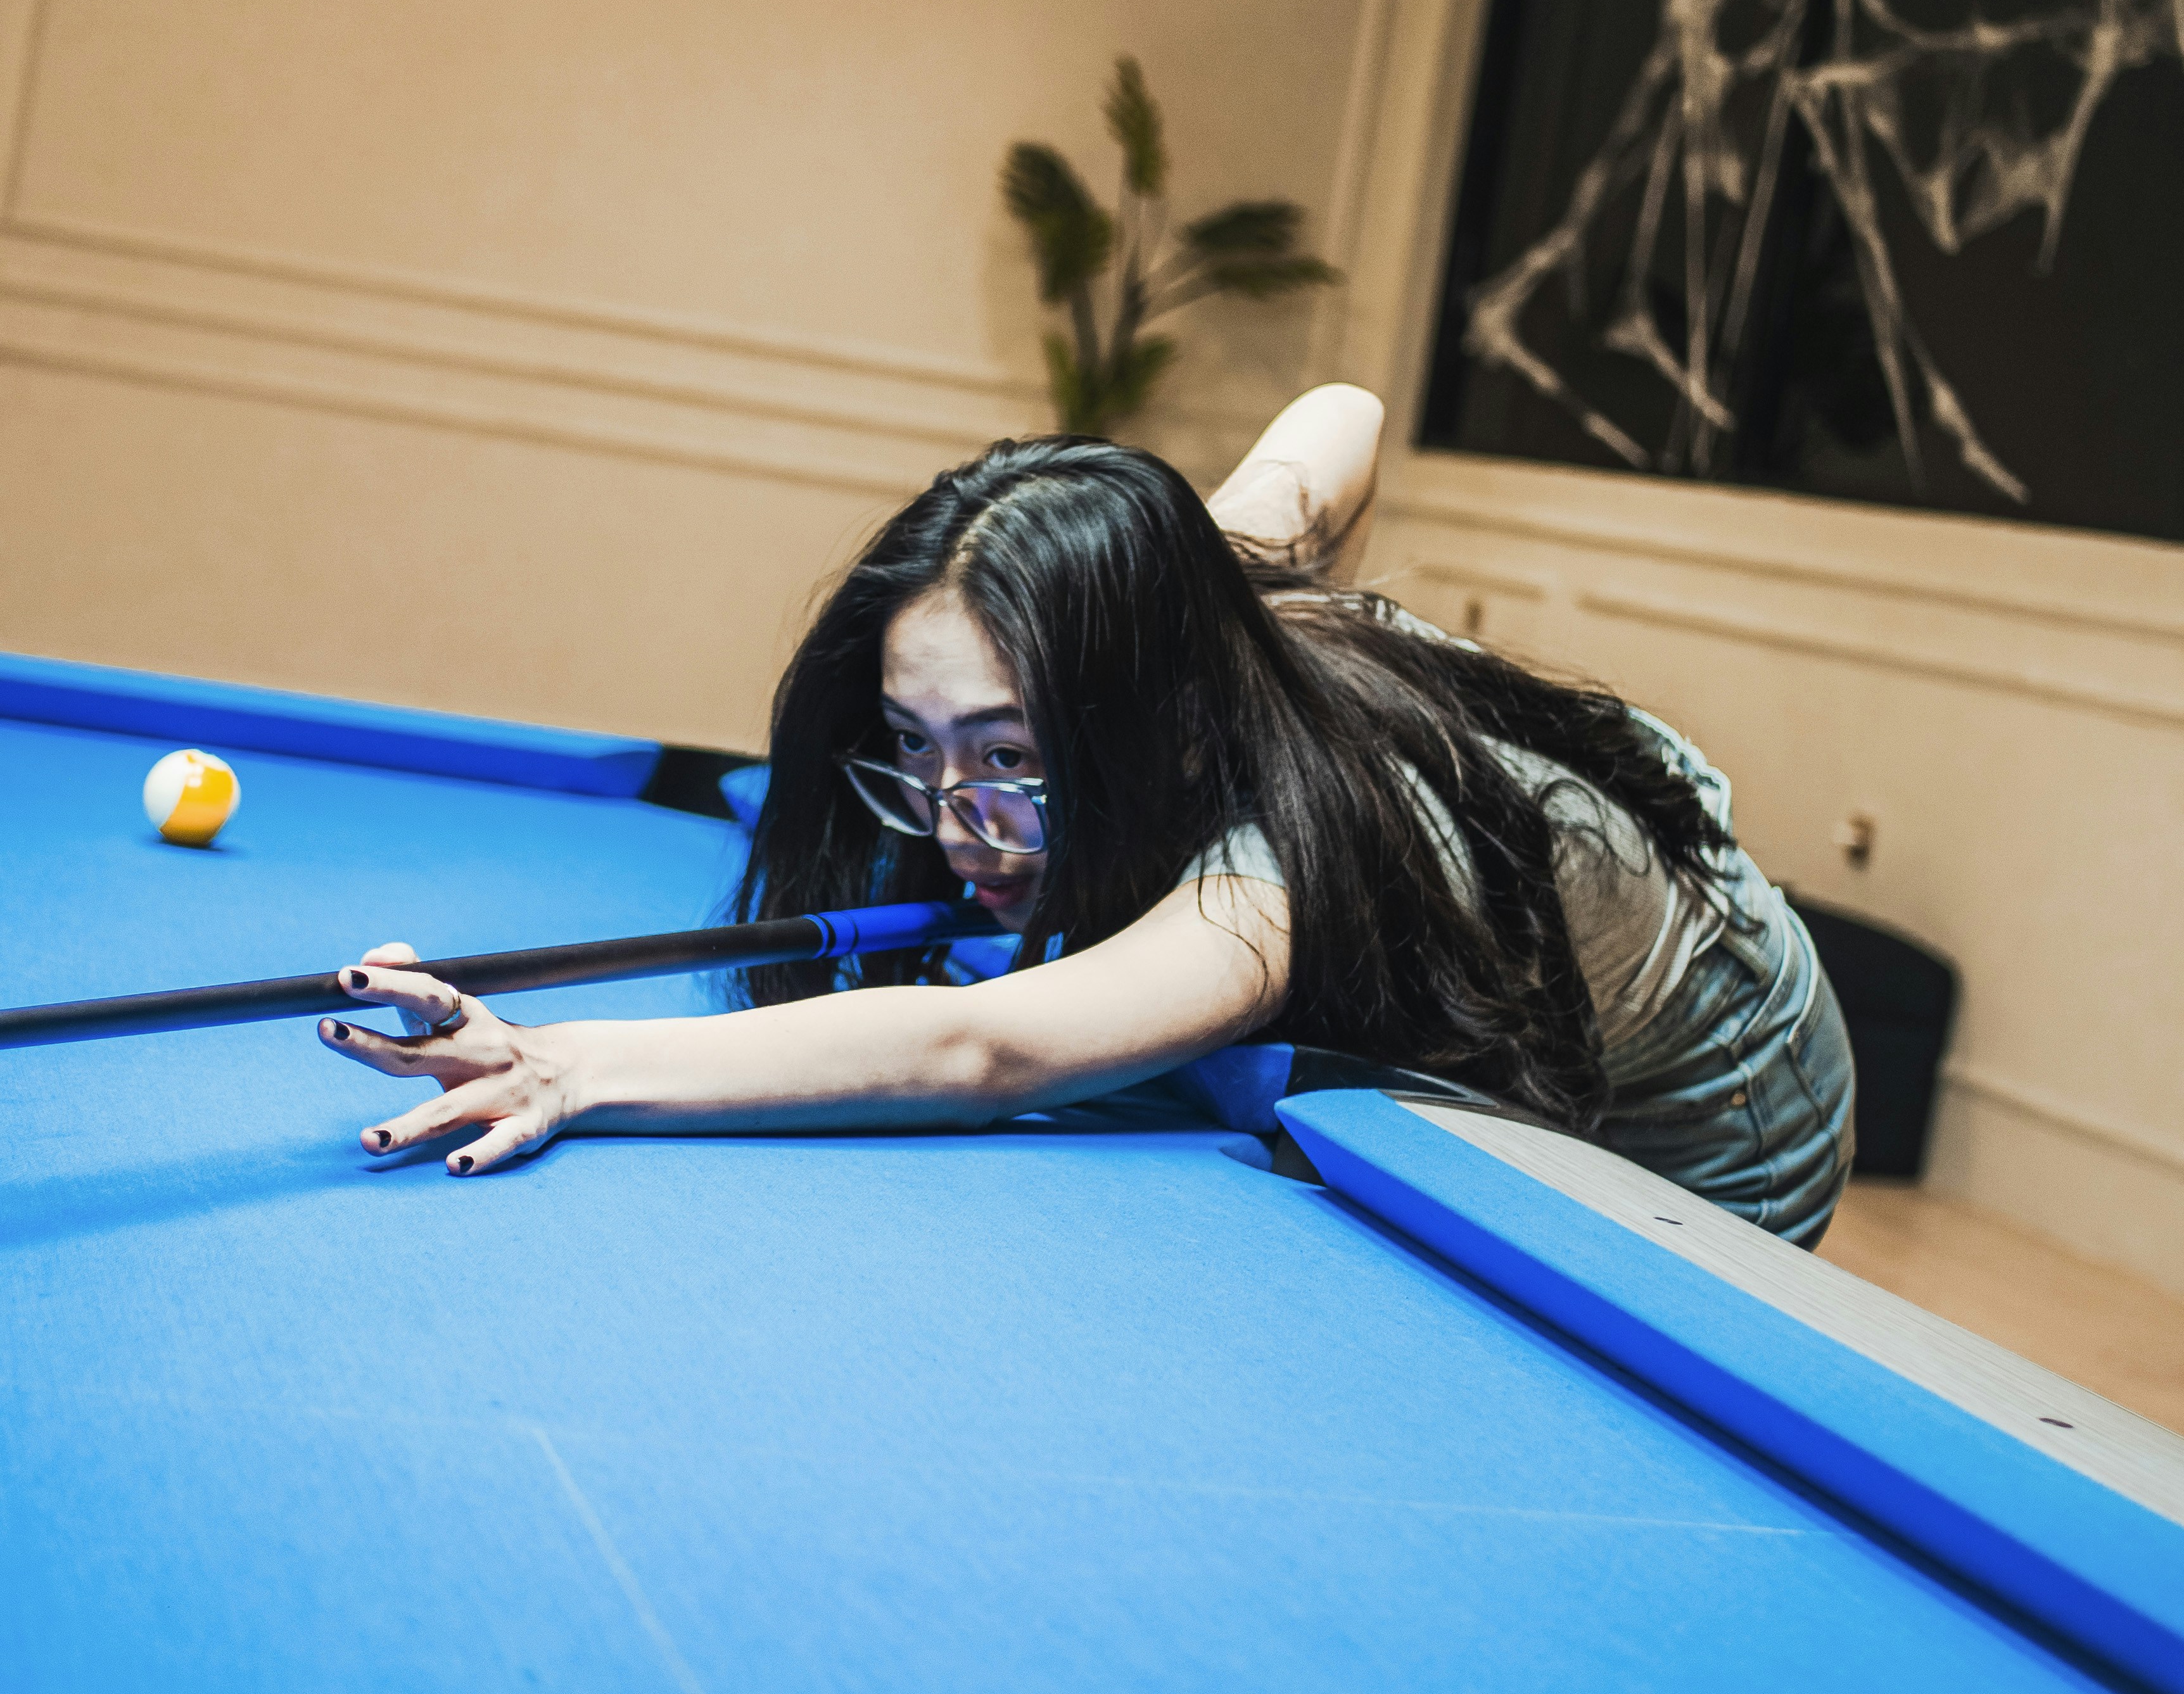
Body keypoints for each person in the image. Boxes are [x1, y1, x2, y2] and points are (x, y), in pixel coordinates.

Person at [322, 386, 1855, 1241]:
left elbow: (987, 1044)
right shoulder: (1201, 586)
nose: (953, 817)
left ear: (1154, 720)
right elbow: (1342, 408)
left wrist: (568, 1057)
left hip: (1725, 1122)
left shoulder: (1280, 868)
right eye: (919, 746)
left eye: (1009, 756)